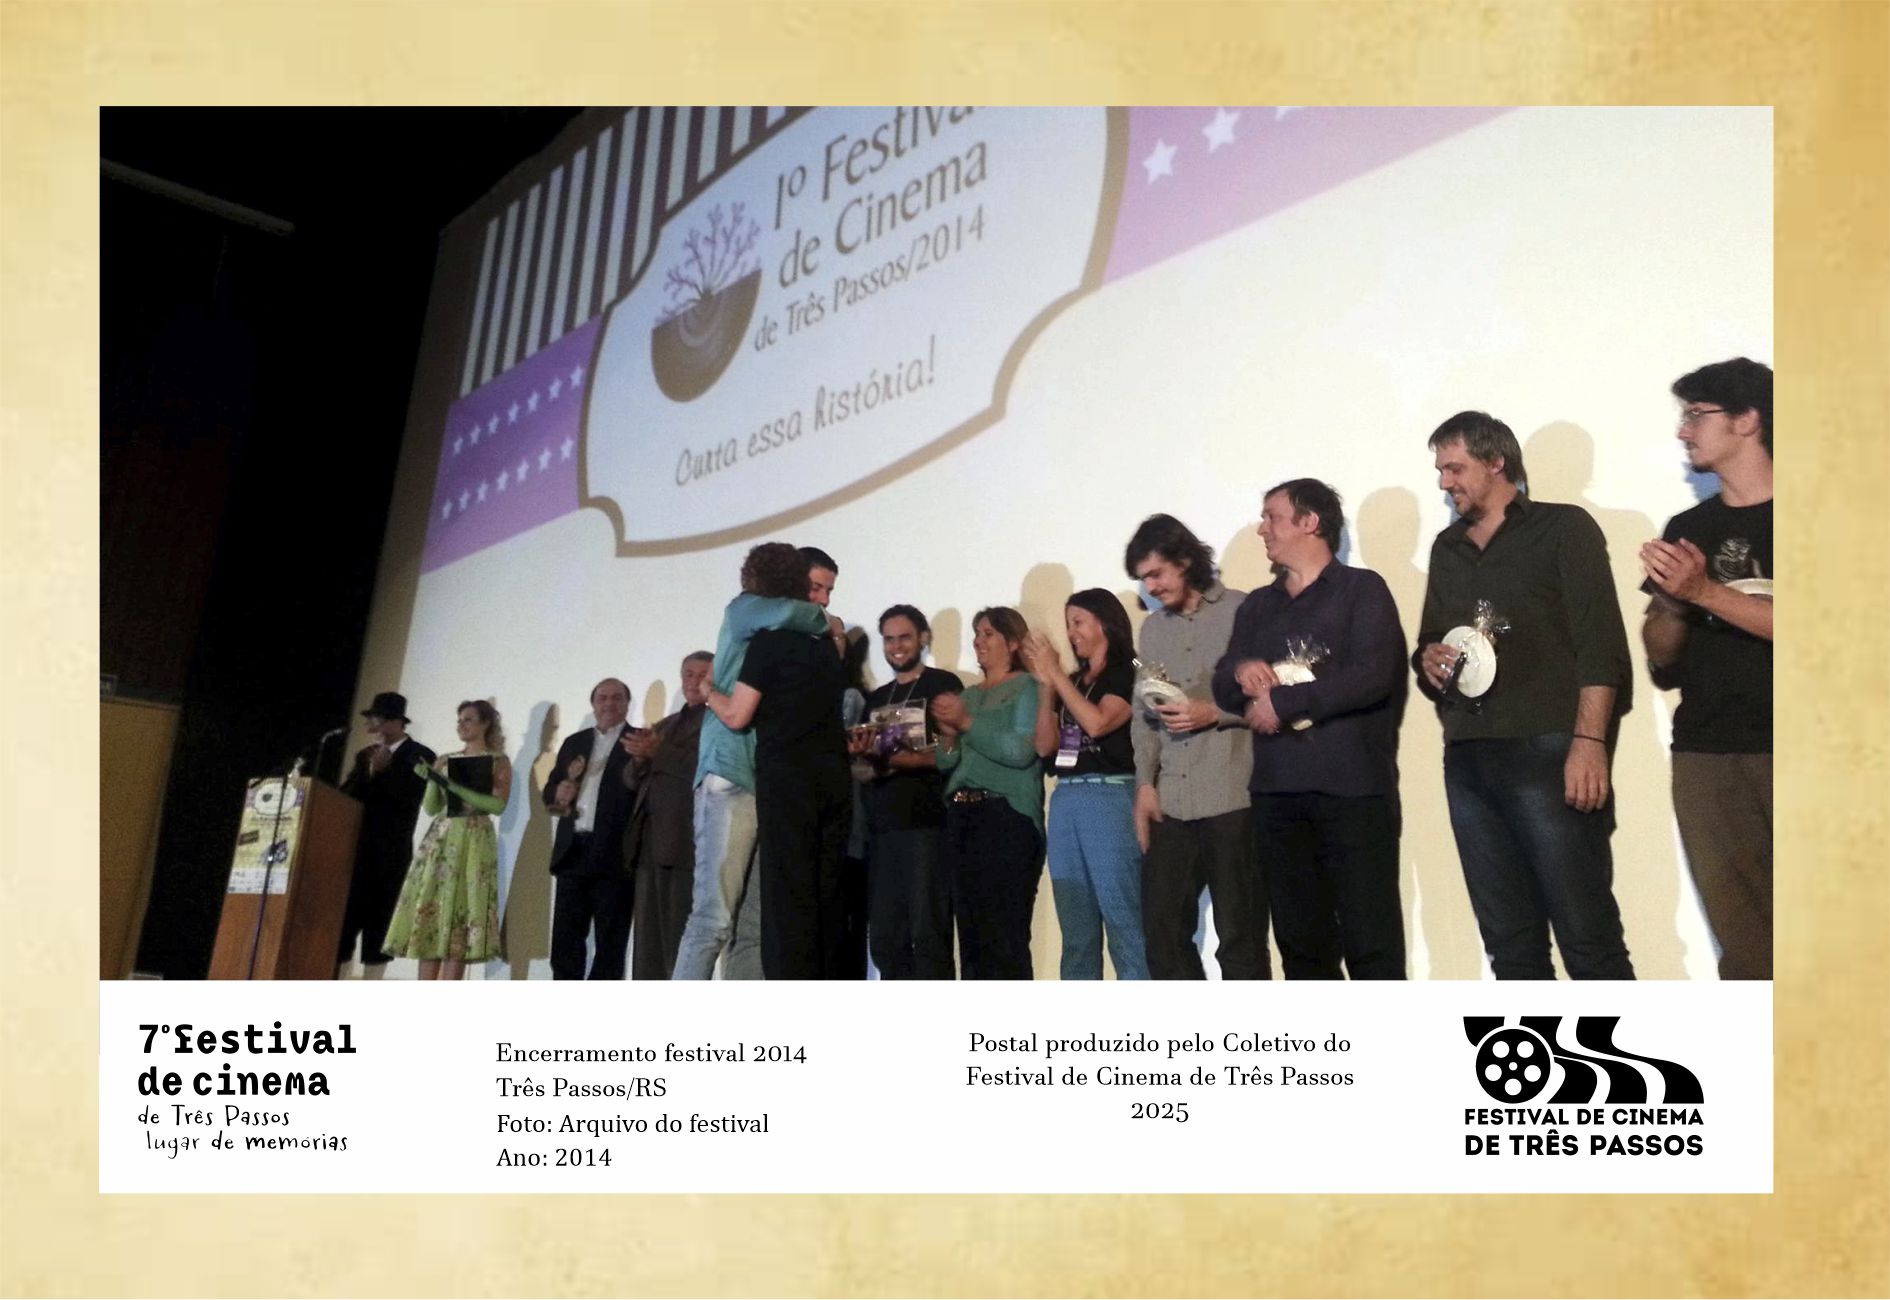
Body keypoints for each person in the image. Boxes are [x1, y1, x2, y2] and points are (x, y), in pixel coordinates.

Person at [1413, 411, 1635, 980]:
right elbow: (1429, 641)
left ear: (1496, 462)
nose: (1444, 482)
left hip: (1548, 749)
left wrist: (1589, 743)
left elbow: (1600, 645)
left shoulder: (1563, 528)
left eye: (1455, 468)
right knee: (1509, 948)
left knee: (1588, 938)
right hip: (1468, 756)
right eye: (1440, 470)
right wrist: (1428, 660)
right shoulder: (1446, 547)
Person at [1212, 480, 1409, 979]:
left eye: (1272, 517)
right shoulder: (1258, 606)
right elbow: (1222, 682)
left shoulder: (1362, 590)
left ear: (1310, 522)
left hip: (1352, 794)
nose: (1262, 529)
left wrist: (1284, 702)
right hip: (1277, 797)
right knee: (1301, 949)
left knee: (1371, 943)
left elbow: (1374, 676)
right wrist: (1241, 670)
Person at [1639, 358, 1774, 979]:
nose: (1683, 430)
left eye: (1697, 415)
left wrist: (1703, 592)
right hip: (1707, 753)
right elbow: (1662, 654)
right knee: (1744, 947)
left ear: (1747, 420)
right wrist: (1671, 601)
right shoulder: (1689, 529)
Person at [672, 544, 831, 980]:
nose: (820, 599)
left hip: (765, 779)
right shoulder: (745, 609)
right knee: (712, 919)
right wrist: (825, 620)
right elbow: (808, 617)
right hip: (730, 770)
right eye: (814, 586)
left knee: (753, 925)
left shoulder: (776, 631)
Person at [1123, 515, 1266, 980]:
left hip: (1232, 797)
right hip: (1172, 802)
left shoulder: (1243, 610)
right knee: (1162, 934)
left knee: (1240, 938)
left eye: (1156, 574)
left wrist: (1215, 712)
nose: (1150, 587)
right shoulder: (1152, 630)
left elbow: (1275, 697)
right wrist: (1145, 785)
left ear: (1184, 560)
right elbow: (1144, 715)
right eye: (1143, 579)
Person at [705, 550, 852, 979]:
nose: (823, 600)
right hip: (834, 779)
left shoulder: (767, 644)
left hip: (788, 780)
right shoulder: (829, 648)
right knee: (827, 893)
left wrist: (708, 691)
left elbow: (738, 715)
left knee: (788, 898)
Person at [1026, 589, 1149, 980]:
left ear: (1104, 622)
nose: (1071, 633)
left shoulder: (1129, 668)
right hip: (1066, 799)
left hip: (1109, 795)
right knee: (1075, 926)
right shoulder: (1073, 681)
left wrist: (1057, 675)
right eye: (1068, 624)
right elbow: (1044, 746)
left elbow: (1098, 722)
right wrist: (1047, 686)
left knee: (1123, 918)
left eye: (1078, 622)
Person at [932, 608, 1044, 979]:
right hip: (961, 816)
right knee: (971, 937)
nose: (978, 641)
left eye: (988, 633)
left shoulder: (1027, 687)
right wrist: (949, 733)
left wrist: (965, 722)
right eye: (977, 633)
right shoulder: (968, 694)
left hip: (1006, 816)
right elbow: (947, 762)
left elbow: (1021, 751)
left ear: (1012, 643)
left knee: (1005, 937)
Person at [853, 605, 964, 979]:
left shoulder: (942, 684)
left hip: (928, 824)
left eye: (904, 637)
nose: (896, 646)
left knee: (928, 933)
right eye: (889, 639)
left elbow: (953, 752)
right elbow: (864, 769)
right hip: (883, 829)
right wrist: (864, 759)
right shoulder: (876, 698)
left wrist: (901, 759)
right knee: (885, 938)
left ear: (923, 638)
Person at [382, 699, 509, 980]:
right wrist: (432, 779)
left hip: (474, 839)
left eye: (468, 719)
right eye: (459, 720)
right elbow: (431, 807)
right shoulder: (445, 759)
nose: (461, 725)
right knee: (434, 910)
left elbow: (497, 805)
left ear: (485, 723)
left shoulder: (498, 761)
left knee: (462, 913)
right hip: (443, 838)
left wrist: (451, 785)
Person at [620, 652, 713, 980]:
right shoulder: (665, 724)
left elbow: (705, 769)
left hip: (686, 842)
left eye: (702, 674)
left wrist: (659, 752)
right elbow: (629, 780)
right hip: (649, 843)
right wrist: (638, 760)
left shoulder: (721, 722)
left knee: (679, 940)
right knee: (647, 944)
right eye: (688, 674)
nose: (694, 681)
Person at [335, 690, 436, 976]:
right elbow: (346, 796)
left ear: (395, 722)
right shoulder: (364, 756)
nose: (372, 727)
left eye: (376, 720)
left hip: (390, 856)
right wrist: (370, 772)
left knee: (379, 934)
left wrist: (384, 772)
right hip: (356, 854)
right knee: (343, 929)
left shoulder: (420, 755)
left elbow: (411, 796)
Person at [542, 678, 636, 980]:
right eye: (602, 698)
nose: (609, 703)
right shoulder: (574, 742)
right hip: (573, 850)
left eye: (617, 697)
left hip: (615, 854)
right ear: (593, 704)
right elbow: (550, 790)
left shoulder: (639, 742)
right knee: (565, 941)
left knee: (610, 942)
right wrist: (558, 794)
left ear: (627, 704)